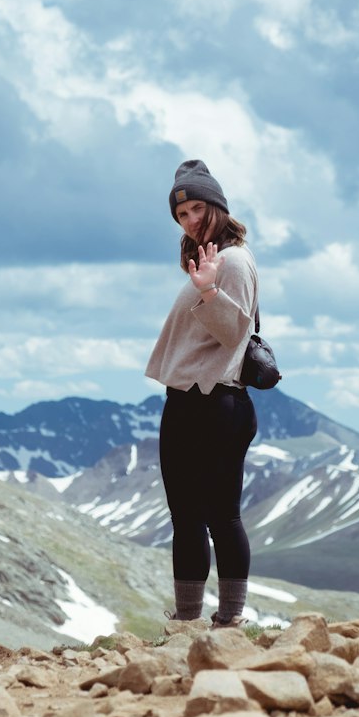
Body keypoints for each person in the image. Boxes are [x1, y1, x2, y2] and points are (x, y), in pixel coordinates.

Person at [144, 159, 260, 628]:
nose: (190, 220)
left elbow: (235, 331)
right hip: (190, 401)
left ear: (217, 206)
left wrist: (210, 292)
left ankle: (228, 620)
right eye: (181, 215)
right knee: (187, 517)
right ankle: (188, 620)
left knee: (219, 516)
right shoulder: (209, 262)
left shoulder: (231, 262)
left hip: (215, 402)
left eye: (196, 208)